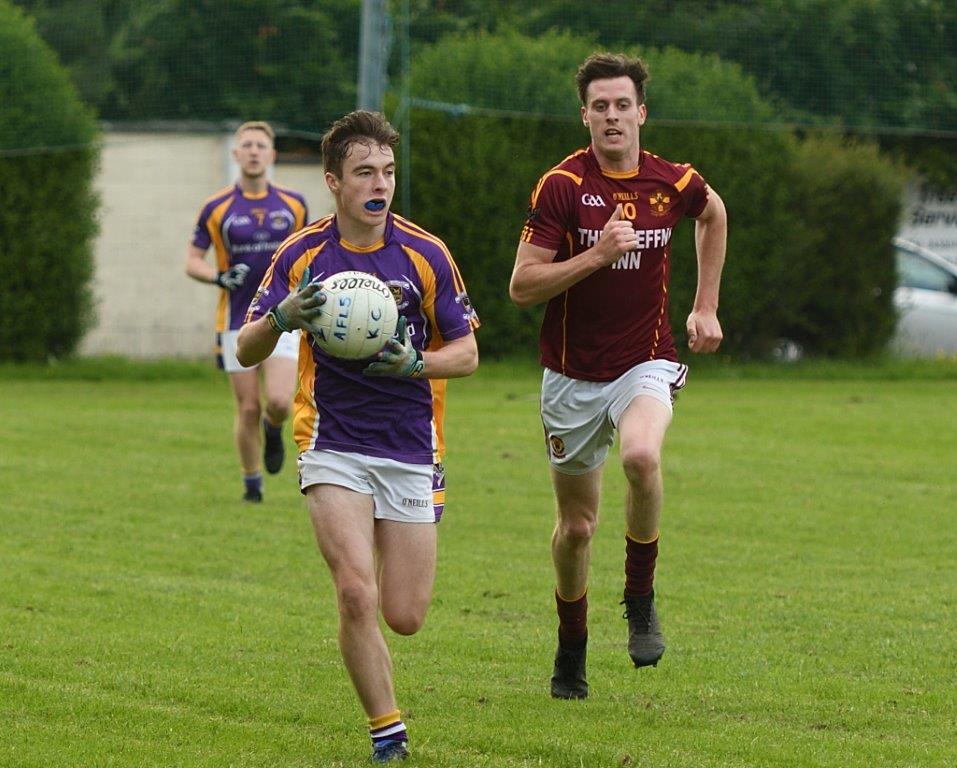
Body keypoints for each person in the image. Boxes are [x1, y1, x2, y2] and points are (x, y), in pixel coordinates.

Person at [236, 110, 479, 763]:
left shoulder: (425, 253)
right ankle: (387, 732)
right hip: (331, 439)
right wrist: (284, 315)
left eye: (389, 171)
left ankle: (380, 673)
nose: (380, 184)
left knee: (403, 613)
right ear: (333, 182)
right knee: (353, 589)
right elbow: (248, 343)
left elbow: (467, 352)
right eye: (365, 172)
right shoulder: (303, 254)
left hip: (409, 446)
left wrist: (415, 363)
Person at [509, 52, 727, 700]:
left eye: (620, 104)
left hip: (645, 360)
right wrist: (597, 253)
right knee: (575, 529)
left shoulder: (671, 181)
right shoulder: (561, 187)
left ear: (640, 112)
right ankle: (570, 645)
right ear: (584, 115)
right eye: (598, 105)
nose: (610, 115)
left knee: (639, 455)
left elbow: (713, 213)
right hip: (571, 376)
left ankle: (638, 598)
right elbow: (522, 285)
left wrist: (706, 304)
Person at [186, 121, 309, 503]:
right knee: (248, 406)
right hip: (235, 321)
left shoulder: (293, 205)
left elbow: (306, 254)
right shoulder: (216, 207)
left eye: (261, 146)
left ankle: (275, 430)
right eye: (247, 145)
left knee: (276, 402)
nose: (254, 151)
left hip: (283, 316)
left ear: (272, 156)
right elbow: (192, 260)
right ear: (236, 154)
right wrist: (219, 277)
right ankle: (252, 485)